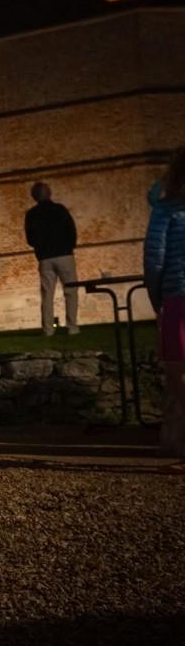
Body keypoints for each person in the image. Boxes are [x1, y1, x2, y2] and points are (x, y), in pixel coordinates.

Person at [144, 148, 185, 474]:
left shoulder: (165, 210)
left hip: (178, 298)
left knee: (180, 377)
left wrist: (155, 298)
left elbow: (154, 259)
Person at [25, 182, 80, 335]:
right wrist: (69, 246)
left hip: (45, 257)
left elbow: (30, 239)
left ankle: (48, 329)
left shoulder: (31, 214)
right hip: (64, 254)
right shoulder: (60, 209)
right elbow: (71, 230)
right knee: (71, 291)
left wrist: (41, 247)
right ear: (49, 193)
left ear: (34, 197)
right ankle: (72, 327)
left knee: (47, 294)